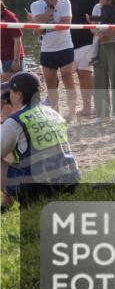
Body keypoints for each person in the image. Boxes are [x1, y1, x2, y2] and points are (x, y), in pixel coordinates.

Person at [1, 71, 80, 209]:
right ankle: (6, 205)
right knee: (19, 149)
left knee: (9, 152)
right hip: (70, 183)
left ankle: (8, 205)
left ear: (19, 95)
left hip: (38, 190)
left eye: (11, 92)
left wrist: (4, 120)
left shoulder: (16, 121)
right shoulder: (53, 113)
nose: (9, 96)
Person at [30, 0, 78, 118]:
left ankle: (72, 113)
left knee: (67, 79)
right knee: (51, 85)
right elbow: (38, 26)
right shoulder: (35, 5)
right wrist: (50, 9)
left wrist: (44, 26)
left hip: (65, 47)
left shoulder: (64, 2)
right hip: (47, 49)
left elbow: (66, 24)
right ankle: (56, 115)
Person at [67, 0, 99, 118]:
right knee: (81, 75)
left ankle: (97, 106)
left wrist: (92, 19)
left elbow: (101, 17)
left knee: (86, 75)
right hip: (74, 43)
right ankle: (87, 107)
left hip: (89, 41)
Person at [1, 0, 24, 103]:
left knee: (8, 89)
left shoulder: (9, 16)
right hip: (3, 57)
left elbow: (18, 39)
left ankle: (7, 114)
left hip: (11, 57)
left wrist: (16, 60)